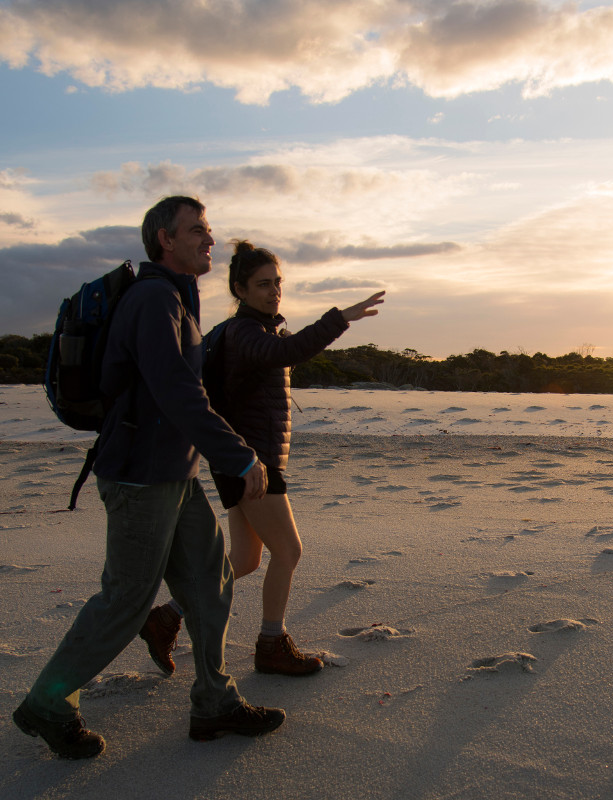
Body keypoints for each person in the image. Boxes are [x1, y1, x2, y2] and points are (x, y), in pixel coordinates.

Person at [12, 197, 285, 760]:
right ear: (165, 239)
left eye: (208, 229)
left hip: (174, 474)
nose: (209, 238)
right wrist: (240, 457)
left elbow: (189, 392)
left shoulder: (177, 299)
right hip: (140, 477)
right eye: (197, 230)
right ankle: (47, 702)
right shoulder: (154, 299)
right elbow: (179, 394)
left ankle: (215, 701)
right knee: (127, 600)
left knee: (211, 582)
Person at [141, 239, 384, 678]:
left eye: (277, 283)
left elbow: (284, 350)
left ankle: (166, 617)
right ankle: (272, 643)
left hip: (243, 462)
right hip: (250, 463)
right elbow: (285, 354)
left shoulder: (260, 330)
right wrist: (339, 319)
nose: (274, 292)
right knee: (288, 551)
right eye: (262, 284)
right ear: (240, 288)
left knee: (248, 559)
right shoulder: (245, 333)